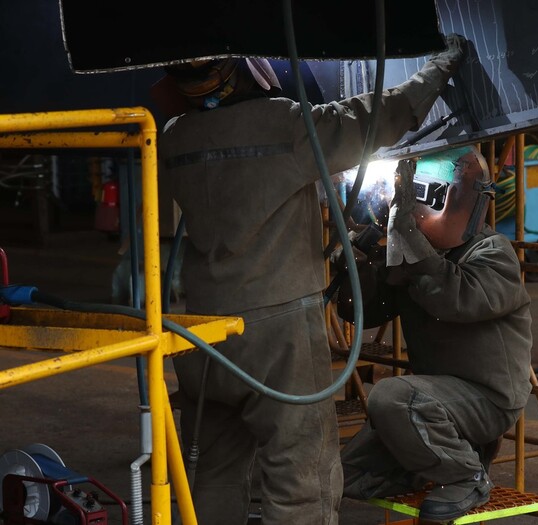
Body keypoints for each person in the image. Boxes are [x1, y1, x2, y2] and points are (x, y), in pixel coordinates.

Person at [156, 35, 467, 525]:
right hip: (276, 332)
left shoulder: (173, 137)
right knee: (300, 471)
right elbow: (379, 115)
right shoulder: (282, 124)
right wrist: (441, 66)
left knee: (212, 469)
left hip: (200, 332)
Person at [338, 147, 533, 523]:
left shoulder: (493, 253)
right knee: (348, 475)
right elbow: (366, 311)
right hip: (433, 403)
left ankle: (467, 476)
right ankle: (436, 461)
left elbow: (455, 299)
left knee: (391, 396)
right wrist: (355, 267)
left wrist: (407, 239)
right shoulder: (417, 259)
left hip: (487, 400)